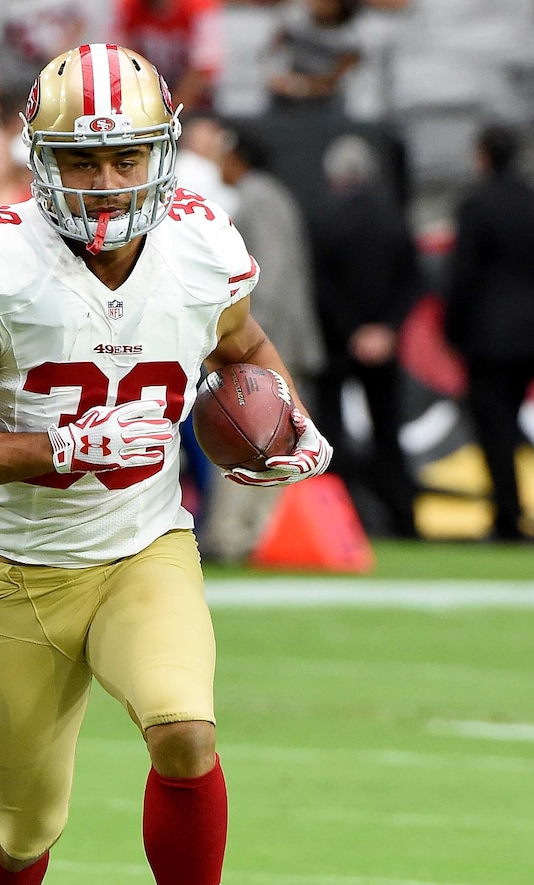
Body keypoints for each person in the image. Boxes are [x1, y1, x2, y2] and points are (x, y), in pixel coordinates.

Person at [0, 43, 331, 885]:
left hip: (145, 547)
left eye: (125, 158)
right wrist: (60, 446)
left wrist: (283, 419)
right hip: (22, 567)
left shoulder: (197, 245)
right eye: (81, 164)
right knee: (22, 825)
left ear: (160, 153)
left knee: (184, 729)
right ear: (40, 163)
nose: (104, 183)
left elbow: (246, 349)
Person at [200, 125, 326, 562]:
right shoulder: (268, 194)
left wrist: (246, 339)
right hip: (281, 335)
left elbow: (268, 275)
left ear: (238, 154)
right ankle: (247, 536)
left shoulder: (259, 198)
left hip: (272, 338)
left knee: (246, 432)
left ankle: (232, 536)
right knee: (268, 438)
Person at [308, 132, 421, 537]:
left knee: (330, 434)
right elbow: (413, 280)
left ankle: (343, 522)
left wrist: (353, 331)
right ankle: (405, 521)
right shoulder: (393, 216)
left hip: (338, 346)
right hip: (384, 346)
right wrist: (386, 329)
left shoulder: (321, 218)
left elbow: (320, 286)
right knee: (389, 433)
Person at [443, 123, 534, 542]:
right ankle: (510, 509)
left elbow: (463, 274)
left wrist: (453, 329)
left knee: (492, 424)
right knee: (511, 421)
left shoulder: (477, 204)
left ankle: (507, 514)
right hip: (529, 333)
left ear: (483, 156)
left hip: (488, 335)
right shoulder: (530, 200)